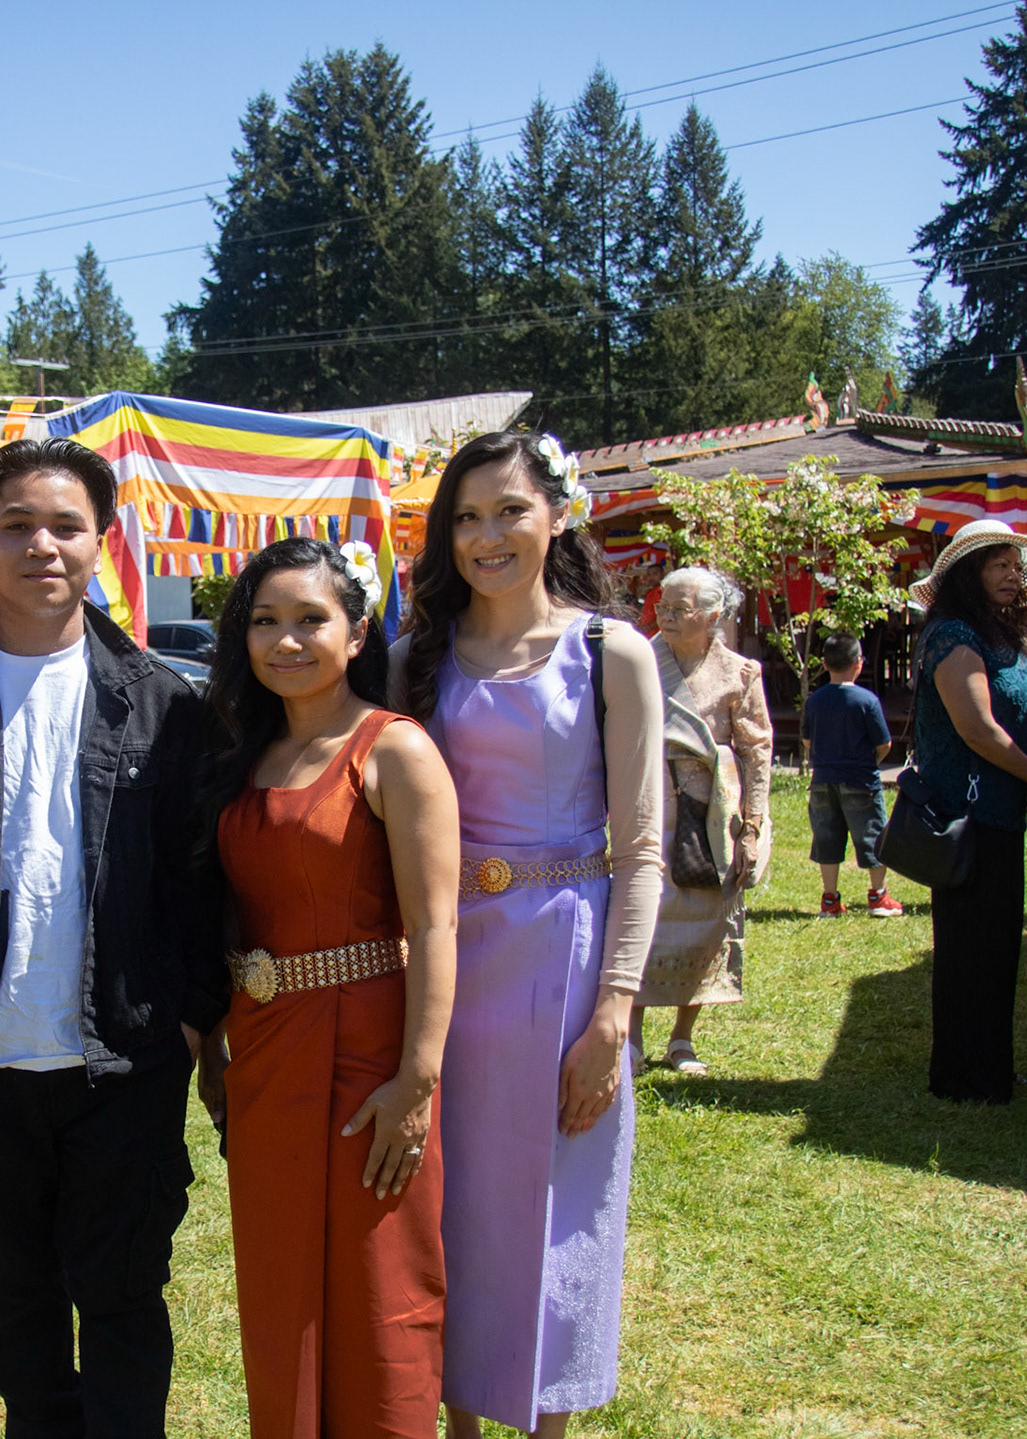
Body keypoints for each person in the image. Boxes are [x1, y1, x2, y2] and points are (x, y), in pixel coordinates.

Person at [0, 437, 225, 1439]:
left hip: (124, 1057)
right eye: (16, 525)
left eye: (66, 525)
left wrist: (191, 1018)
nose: (42, 546)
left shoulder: (163, 700)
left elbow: (197, 877)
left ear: (103, 540)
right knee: (18, 1302)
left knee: (123, 1296)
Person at [393, 431, 665, 1439]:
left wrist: (617, 1008)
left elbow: (642, 846)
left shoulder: (611, 652)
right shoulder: (413, 660)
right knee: (452, 1203)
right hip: (447, 969)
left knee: (561, 1206)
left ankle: (549, 1424)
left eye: (510, 509)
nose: (488, 535)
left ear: (558, 513)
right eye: (466, 517)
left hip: (569, 959)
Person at [196, 537, 460, 1438]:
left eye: (311, 619)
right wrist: (216, 1046)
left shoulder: (396, 749)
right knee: (281, 1296)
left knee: (378, 1290)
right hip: (265, 1058)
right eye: (265, 620)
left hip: (368, 1055)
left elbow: (436, 926)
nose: (286, 640)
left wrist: (417, 1080)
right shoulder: (242, 755)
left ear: (356, 634)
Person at [908, 519, 1027, 1103]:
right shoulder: (952, 635)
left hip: (1002, 814)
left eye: (1015, 566)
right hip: (965, 818)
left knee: (999, 948)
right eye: (998, 565)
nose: (1012, 575)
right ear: (967, 575)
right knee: (969, 949)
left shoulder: (1003, 635)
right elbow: (977, 728)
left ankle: (991, 1068)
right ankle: (962, 1078)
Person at [633, 566, 772, 1077]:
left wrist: (752, 826)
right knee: (640, 917)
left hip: (712, 814)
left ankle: (682, 1038)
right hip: (648, 804)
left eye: (680, 609)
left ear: (713, 616)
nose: (666, 616)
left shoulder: (740, 672)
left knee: (708, 918)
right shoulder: (639, 660)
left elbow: (757, 752)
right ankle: (631, 1037)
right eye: (662, 606)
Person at [802, 632, 903, 918]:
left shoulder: (814, 701)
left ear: (824, 664)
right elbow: (884, 743)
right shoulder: (867, 700)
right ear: (859, 663)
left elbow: (807, 740)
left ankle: (830, 900)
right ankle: (878, 896)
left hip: (823, 779)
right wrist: (872, 761)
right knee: (872, 835)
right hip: (860, 779)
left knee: (827, 837)